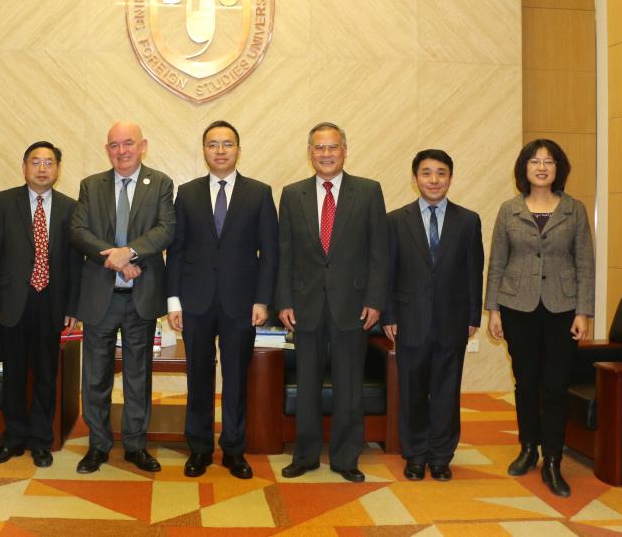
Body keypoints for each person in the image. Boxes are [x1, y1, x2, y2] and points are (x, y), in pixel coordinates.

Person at [274, 122, 389, 483]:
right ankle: (305, 456)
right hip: (305, 306)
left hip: (353, 306)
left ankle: (345, 457)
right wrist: (284, 301)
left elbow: (379, 251)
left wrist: (375, 300)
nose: (326, 154)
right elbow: (284, 253)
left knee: (349, 386)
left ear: (344, 150)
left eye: (333, 147)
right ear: (310, 152)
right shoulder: (292, 194)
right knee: (307, 385)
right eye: (319, 148)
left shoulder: (368, 191)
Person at [166, 120, 278, 479]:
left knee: (236, 380)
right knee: (198, 378)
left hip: (241, 304)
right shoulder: (187, 193)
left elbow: (270, 253)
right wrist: (173, 302)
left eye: (227, 144)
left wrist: (263, 300)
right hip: (195, 302)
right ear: (204, 150)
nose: (220, 150)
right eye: (213, 144)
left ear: (238, 150)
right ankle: (199, 449)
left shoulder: (259, 193)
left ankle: (233, 450)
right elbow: (176, 251)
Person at [485, 138, 593, 498]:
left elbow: (585, 264)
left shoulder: (574, 210)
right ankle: (528, 447)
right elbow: (497, 262)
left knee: (556, 386)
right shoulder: (509, 210)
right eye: (534, 161)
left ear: (558, 168)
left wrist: (583, 311)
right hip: (517, 307)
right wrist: (493, 310)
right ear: (524, 168)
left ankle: (553, 461)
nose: (542, 167)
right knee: (526, 382)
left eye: (549, 161)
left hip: (563, 309)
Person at [70, 121, 175, 474]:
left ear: (143, 145)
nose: (122, 151)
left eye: (128, 143)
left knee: (137, 376)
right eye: (114, 145)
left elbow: (165, 230)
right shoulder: (91, 185)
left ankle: (135, 446)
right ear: (107, 150)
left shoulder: (160, 183)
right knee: (95, 376)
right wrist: (113, 259)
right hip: (100, 295)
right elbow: (78, 231)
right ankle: (97, 445)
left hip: (140, 296)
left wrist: (129, 253)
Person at [384, 149, 483, 482]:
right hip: (409, 320)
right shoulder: (396, 220)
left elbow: (474, 271)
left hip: (452, 320)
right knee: (411, 391)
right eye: (426, 173)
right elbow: (388, 272)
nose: (434, 180)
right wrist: (389, 315)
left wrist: (473, 316)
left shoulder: (468, 220)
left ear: (450, 178)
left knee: (446, 391)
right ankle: (414, 455)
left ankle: (441, 456)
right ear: (415, 179)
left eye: (441, 173)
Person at [0, 141, 81, 467]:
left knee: (45, 376)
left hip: (52, 304)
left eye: (49, 162)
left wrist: (73, 308)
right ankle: (12, 440)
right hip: (12, 303)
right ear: (24, 166)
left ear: (58, 169)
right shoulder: (3, 202)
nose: (42, 168)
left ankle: (41, 441)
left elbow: (75, 263)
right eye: (35, 162)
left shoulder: (70, 207)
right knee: (13, 375)